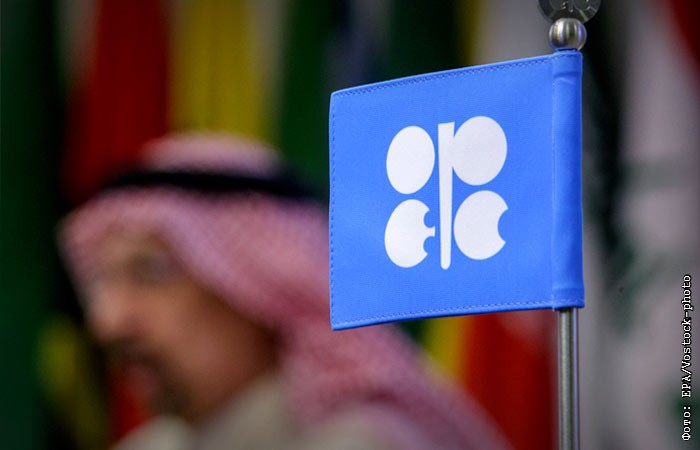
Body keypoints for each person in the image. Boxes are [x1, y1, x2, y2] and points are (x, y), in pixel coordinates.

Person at [59, 133, 512, 450]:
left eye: (151, 273)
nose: (107, 322)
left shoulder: (363, 442)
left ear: (257, 283)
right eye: (101, 280)